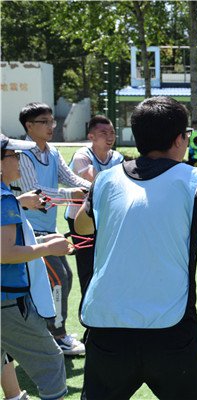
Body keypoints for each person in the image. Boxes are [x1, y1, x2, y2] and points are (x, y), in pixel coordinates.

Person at [73, 96, 197, 399]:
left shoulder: (106, 180)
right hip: (170, 330)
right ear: (179, 139)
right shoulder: (194, 180)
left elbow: (82, 226)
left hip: (107, 328)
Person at [13, 102, 89, 356]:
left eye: (51, 121)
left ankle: (52, 332)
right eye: (44, 122)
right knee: (59, 280)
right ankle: (57, 336)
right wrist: (72, 194)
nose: (50, 126)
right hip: (28, 231)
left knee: (61, 279)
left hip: (48, 230)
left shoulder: (53, 151)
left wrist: (96, 187)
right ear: (29, 126)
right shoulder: (22, 154)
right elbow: (34, 193)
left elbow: (70, 178)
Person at [1, 133, 72, 400]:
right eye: (14, 155)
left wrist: (43, 241)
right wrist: (48, 248)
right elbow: (5, 253)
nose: (20, 160)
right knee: (52, 362)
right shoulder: (4, 199)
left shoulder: (8, 198)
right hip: (7, 301)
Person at [64, 115, 123, 294]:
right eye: (103, 133)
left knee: (107, 263)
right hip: (80, 219)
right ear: (91, 137)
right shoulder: (82, 156)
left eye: (112, 132)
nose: (110, 136)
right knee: (87, 266)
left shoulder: (117, 157)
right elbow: (96, 181)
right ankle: (87, 304)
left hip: (106, 219)